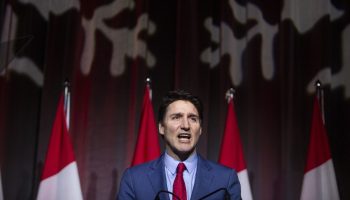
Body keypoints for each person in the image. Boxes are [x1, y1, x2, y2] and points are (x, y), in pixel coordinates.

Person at [117, 90, 241, 200]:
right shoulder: (134, 179)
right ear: (161, 127)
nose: (186, 126)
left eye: (193, 118)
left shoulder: (225, 179)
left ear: (200, 129)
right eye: (176, 117)